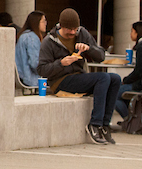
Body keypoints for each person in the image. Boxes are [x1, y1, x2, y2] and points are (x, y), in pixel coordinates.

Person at [36, 8, 121, 145]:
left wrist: (89, 48)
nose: (72, 33)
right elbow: (42, 70)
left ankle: (105, 125)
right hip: (61, 81)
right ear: (61, 26)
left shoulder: (82, 33)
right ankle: (95, 124)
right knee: (103, 78)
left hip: (79, 77)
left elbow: (101, 56)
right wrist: (61, 63)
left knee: (115, 79)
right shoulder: (49, 41)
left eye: (74, 29)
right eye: (69, 30)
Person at [15, 10, 46, 88]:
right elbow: (34, 63)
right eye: (43, 21)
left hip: (23, 77)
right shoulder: (32, 38)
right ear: (36, 22)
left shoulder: (24, 35)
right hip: (32, 79)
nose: (46, 23)